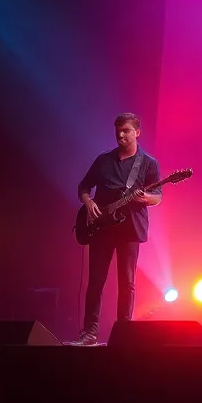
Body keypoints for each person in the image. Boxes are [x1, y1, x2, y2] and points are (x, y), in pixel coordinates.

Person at [66, 113, 161, 346]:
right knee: (96, 281)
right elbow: (84, 187)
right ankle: (89, 332)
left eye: (126, 130)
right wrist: (88, 204)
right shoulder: (103, 160)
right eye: (118, 130)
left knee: (126, 282)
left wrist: (144, 198)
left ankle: (124, 334)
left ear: (137, 132)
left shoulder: (148, 163)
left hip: (130, 229)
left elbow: (158, 197)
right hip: (101, 229)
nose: (121, 134)